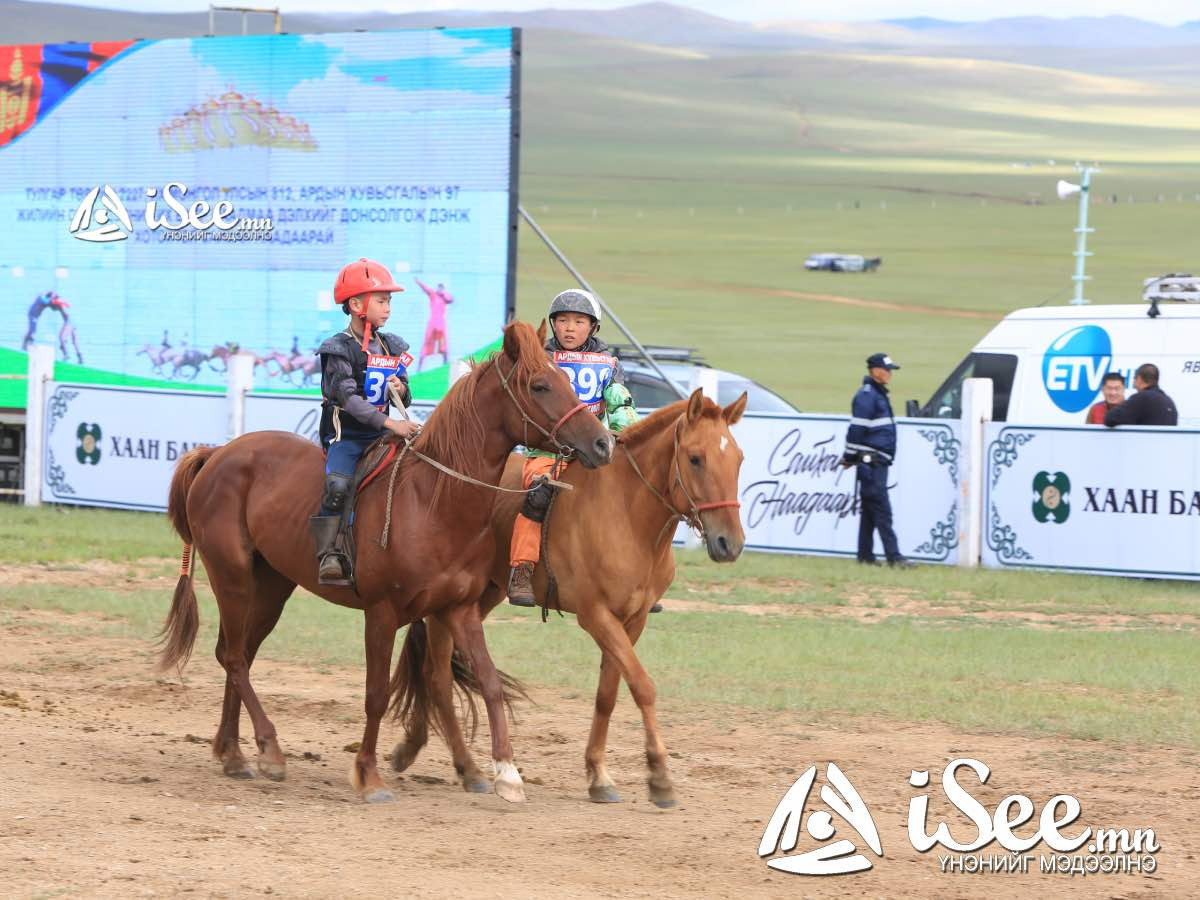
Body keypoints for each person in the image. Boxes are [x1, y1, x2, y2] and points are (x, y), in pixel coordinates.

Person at [507, 289, 638, 606]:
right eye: (562, 320)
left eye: (578, 321)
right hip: (549, 453)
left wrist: (626, 435)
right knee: (538, 496)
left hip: (593, 452)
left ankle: (634, 577)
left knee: (631, 498)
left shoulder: (609, 364)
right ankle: (521, 570)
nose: (569, 328)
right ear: (552, 325)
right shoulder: (541, 360)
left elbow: (620, 404)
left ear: (593, 328)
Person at [309, 258, 420, 585]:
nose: (388, 307)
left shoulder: (392, 345)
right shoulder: (338, 349)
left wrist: (402, 388)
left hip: (385, 437)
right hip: (348, 437)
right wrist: (391, 425)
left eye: (389, 301)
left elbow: (406, 393)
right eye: (381, 300)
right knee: (337, 486)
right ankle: (331, 553)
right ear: (357, 304)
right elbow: (349, 399)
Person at [842, 352, 913, 568]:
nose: (890, 374)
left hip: (875, 462)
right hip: (871, 463)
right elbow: (856, 430)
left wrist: (850, 457)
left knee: (870, 512)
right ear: (875, 370)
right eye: (887, 369)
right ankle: (894, 557)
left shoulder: (875, 394)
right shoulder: (868, 396)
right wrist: (849, 457)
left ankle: (865, 557)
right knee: (882, 510)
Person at [1104, 363, 1177, 427]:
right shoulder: (1169, 401)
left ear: (1139, 379)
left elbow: (1110, 419)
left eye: (1134, 379)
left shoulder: (1142, 398)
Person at [414, 277, 453, 371]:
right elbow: (426, 288)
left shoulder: (444, 297)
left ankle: (445, 364)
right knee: (427, 343)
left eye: (441, 287)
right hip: (433, 323)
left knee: (443, 344)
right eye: (439, 287)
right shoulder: (433, 295)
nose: (439, 289)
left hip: (440, 324)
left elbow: (450, 299)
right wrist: (419, 282)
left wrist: (443, 293)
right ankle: (419, 368)